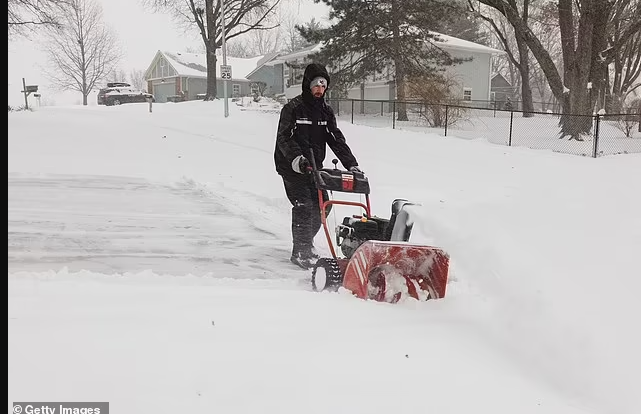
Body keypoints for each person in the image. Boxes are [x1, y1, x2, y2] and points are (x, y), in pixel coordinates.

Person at [273, 63, 362, 269]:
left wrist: (352, 165)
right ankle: (301, 251)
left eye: (323, 85)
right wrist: (298, 159)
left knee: (323, 206)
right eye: (316, 84)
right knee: (304, 204)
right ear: (307, 85)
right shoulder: (293, 108)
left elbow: (336, 139)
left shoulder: (325, 112)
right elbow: (283, 138)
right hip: (291, 166)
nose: (320, 89)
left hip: (313, 166)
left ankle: (305, 242)